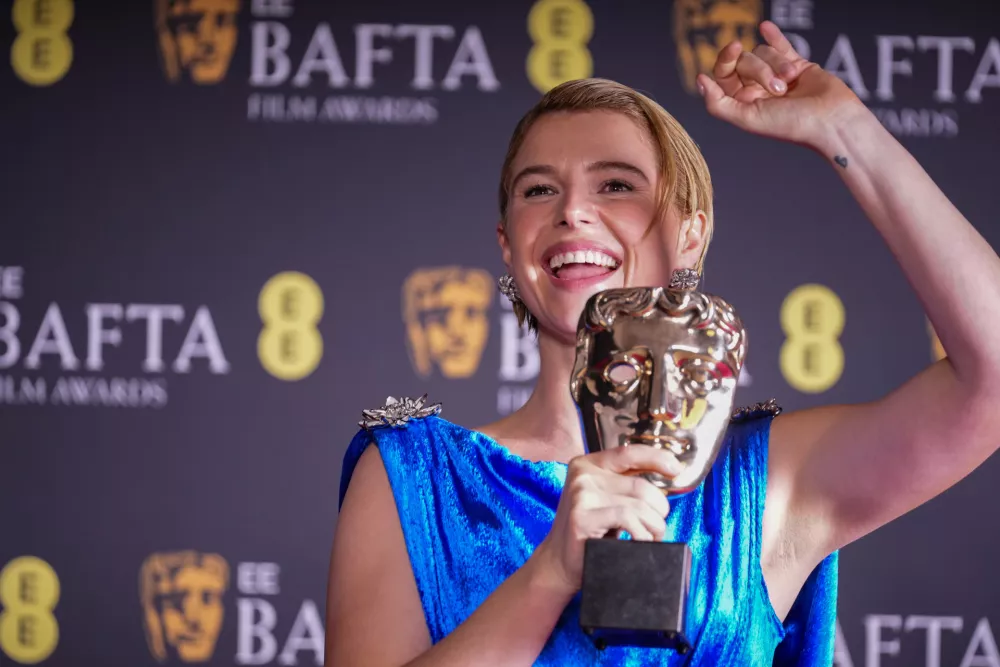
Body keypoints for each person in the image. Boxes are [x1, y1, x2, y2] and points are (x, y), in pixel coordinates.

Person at [325, 22, 1000, 666]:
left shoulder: (762, 483)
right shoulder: (413, 477)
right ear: (508, 244)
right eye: (539, 190)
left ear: (690, 236)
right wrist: (548, 575)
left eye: (616, 184)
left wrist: (846, 129)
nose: (571, 211)